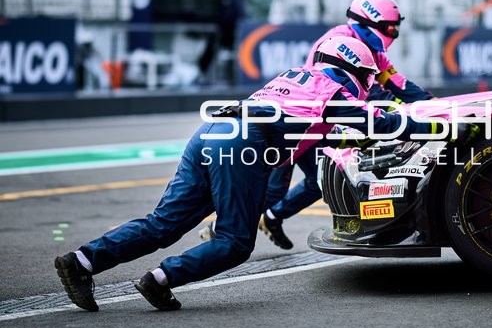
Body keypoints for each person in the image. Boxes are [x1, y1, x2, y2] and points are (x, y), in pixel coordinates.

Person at [54, 36, 447, 312]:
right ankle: (159, 280)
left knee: (163, 224)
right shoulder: (334, 91)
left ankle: (82, 262)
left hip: (211, 131)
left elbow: (318, 128)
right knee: (235, 242)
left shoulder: (297, 76)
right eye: (368, 78)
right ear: (354, 70)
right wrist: (440, 124)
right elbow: (382, 121)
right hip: (242, 144)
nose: (369, 85)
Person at [200, 0, 434, 250]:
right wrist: (407, 111)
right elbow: (372, 94)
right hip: (294, 124)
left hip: (317, 126)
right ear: (370, 21)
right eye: (390, 28)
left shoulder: (374, 53)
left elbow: (398, 83)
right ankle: (221, 227)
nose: (394, 33)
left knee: (316, 182)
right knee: (275, 189)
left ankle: (272, 217)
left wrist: (432, 103)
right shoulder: (339, 42)